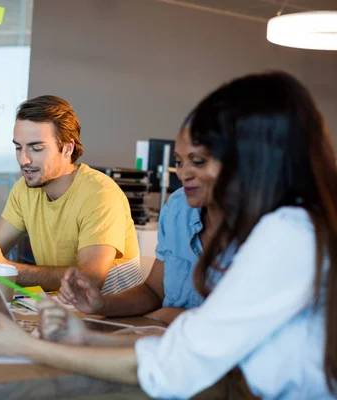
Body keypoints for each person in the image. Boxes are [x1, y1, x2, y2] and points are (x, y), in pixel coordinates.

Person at [0, 71, 337, 399]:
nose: (190, 174)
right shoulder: (288, 225)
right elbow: (185, 338)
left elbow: (176, 365)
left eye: (205, 159)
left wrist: (29, 347)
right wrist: (86, 338)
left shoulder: (288, 236)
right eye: (183, 162)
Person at [0, 95, 143, 294]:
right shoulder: (24, 189)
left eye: (36, 148)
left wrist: (6, 270)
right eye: (18, 147)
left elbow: (90, 279)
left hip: (112, 319)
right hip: (62, 310)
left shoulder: (100, 195)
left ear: (67, 148)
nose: (23, 159)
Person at [55, 112, 225, 324]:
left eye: (197, 162)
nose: (183, 174)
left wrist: (171, 316)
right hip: (159, 340)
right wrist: (101, 304)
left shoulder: (262, 231)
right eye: (179, 163)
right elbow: (153, 292)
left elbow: (236, 326)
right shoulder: (178, 207)